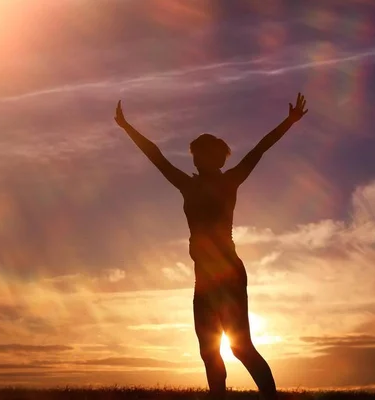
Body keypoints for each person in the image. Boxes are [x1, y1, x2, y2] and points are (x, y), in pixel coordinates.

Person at [114, 93, 308, 399]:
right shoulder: (187, 185)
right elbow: (156, 156)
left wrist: (289, 121)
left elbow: (259, 149)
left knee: (241, 347)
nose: (195, 158)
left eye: (201, 154)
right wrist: (127, 127)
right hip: (203, 278)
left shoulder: (229, 181)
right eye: (194, 154)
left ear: (215, 158)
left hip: (229, 274)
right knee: (208, 350)